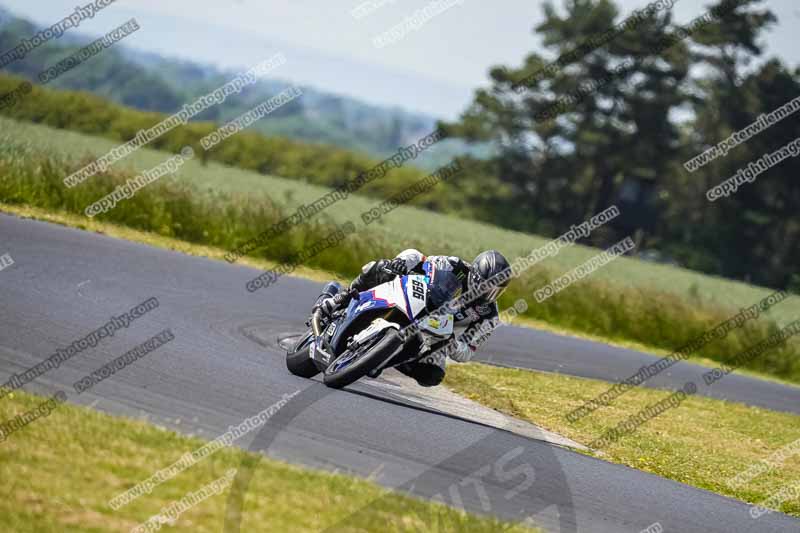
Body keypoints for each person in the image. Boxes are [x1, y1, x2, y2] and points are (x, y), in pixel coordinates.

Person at [315, 249, 511, 386]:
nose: (489, 294)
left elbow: (468, 352)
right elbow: (421, 259)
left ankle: (380, 357)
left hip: (436, 334)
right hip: (416, 298)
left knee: (432, 375)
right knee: (382, 266)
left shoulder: (489, 316)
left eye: (496, 291)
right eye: (487, 286)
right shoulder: (455, 266)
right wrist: (401, 263)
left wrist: (452, 343)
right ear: (475, 275)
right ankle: (340, 299)